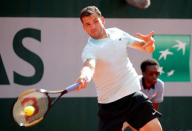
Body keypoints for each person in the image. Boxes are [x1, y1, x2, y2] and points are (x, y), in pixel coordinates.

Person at [76, 6, 162, 131]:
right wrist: (84, 76)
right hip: (110, 106)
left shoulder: (117, 33)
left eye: (95, 21)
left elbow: (145, 47)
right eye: (88, 24)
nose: (93, 26)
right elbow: (89, 66)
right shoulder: (90, 50)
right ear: (84, 28)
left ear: (102, 20)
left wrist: (150, 44)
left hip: (134, 97)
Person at [122, 59, 164, 131]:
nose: (154, 76)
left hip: (142, 114)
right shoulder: (134, 82)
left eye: (156, 73)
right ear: (143, 73)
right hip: (124, 113)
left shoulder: (160, 85)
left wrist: (150, 120)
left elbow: (154, 107)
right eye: (151, 74)